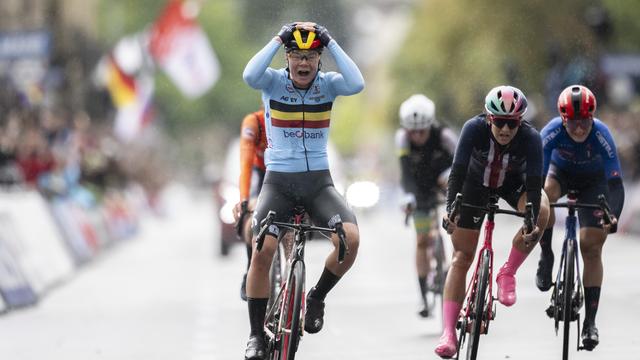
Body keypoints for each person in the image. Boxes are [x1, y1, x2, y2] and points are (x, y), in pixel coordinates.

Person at [242, 21, 364, 360]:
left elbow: (357, 83)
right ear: (287, 57)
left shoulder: (329, 86)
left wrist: (332, 40)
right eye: (296, 55)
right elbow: (249, 75)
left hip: (319, 183)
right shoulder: (272, 82)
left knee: (350, 241)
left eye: (311, 55)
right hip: (279, 182)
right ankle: (255, 335)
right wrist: (278, 36)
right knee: (262, 247)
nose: (303, 63)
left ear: (319, 58)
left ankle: (316, 298)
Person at [434, 85, 551, 358]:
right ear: (489, 118)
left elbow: (534, 185)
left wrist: (531, 222)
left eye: (511, 123)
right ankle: (449, 332)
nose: (505, 130)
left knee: (543, 209)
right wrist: (451, 210)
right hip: (474, 184)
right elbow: (457, 172)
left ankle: (507, 271)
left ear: (520, 121)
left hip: (513, 184)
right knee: (462, 257)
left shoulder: (531, 138)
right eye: (500, 122)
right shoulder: (473, 129)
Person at [536, 85, 624, 351]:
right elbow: (537, 178)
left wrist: (613, 215)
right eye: (573, 123)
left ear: (592, 117)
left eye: (584, 122)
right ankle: (546, 254)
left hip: (593, 183)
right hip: (559, 175)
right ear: (563, 119)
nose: (579, 129)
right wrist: (536, 206)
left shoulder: (602, 134)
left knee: (591, 246)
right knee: (545, 195)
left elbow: (616, 184)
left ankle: (590, 323)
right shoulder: (550, 131)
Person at [395, 94, 457, 317]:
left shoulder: (444, 135)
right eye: (413, 131)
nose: (418, 135)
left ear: (430, 124)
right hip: (419, 189)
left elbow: (462, 161)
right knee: (422, 240)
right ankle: (423, 297)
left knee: (454, 226)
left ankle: (452, 265)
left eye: (423, 130)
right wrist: (408, 196)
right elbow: (405, 173)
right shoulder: (402, 139)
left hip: (444, 182)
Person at [233, 108, 267, 302]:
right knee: (252, 211)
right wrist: (244, 199)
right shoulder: (254, 122)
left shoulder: (295, 117)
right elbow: (245, 163)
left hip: (282, 170)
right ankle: (249, 267)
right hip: (258, 172)